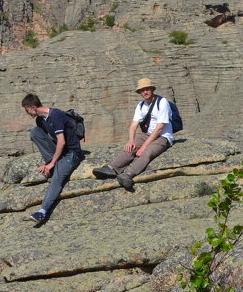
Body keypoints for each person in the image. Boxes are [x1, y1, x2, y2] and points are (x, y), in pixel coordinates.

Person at [92, 78, 173, 191]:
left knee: (147, 152)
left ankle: (128, 175)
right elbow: (133, 125)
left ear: (152, 89)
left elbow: (160, 127)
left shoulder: (162, 102)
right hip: (146, 134)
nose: (144, 92)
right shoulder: (141, 105)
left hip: (162, 136)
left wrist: (144, 147)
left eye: (147, 89)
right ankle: (111, 168)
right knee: (130, 148)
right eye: (142, 90)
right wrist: (131, 140)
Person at [21, 93, 83, 225]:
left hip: (71, 154)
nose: (27, 113)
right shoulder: (40, 120)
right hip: (60, 152)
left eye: (27, 110)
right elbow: (48, 140)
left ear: (33, 107)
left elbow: (61, 142)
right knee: (34, 132)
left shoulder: (56, 115)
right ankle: (52, 163)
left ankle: (42, 213)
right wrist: (50, 161)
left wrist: (52, 163)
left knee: (56, 179)